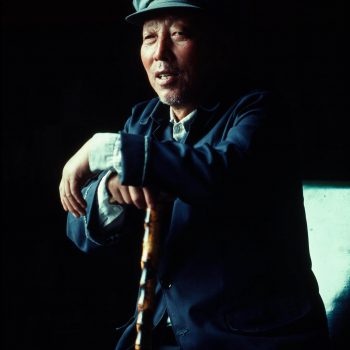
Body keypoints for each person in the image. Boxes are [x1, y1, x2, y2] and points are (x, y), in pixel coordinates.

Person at [59, 1, 331, 349]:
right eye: (149, 37)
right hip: (160, 334)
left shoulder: (259, 111)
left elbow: (218, 173)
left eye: (179, 34)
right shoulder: (143, 122)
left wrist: (109, 149)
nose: (160, 53)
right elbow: (79, 228)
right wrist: (109, 193)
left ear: (216, 43)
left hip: (252, 340)